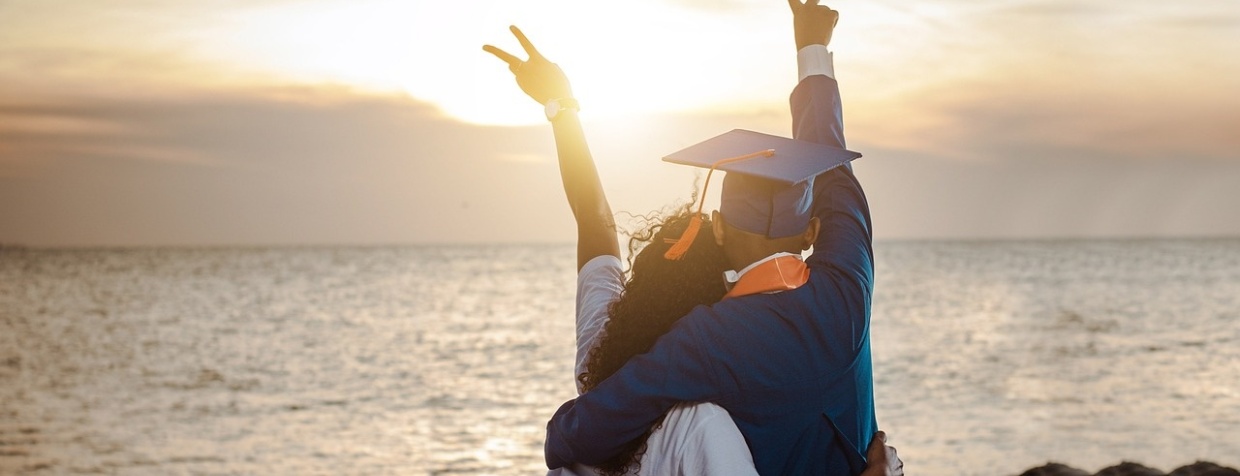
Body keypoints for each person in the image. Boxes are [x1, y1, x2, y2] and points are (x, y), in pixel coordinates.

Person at [484, 1, 901, 474]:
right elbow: (833, 165)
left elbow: (572, 438)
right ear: (812, 231)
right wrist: (813, 48)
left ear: (718, 229)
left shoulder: (708, 338)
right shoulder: (846, 292)